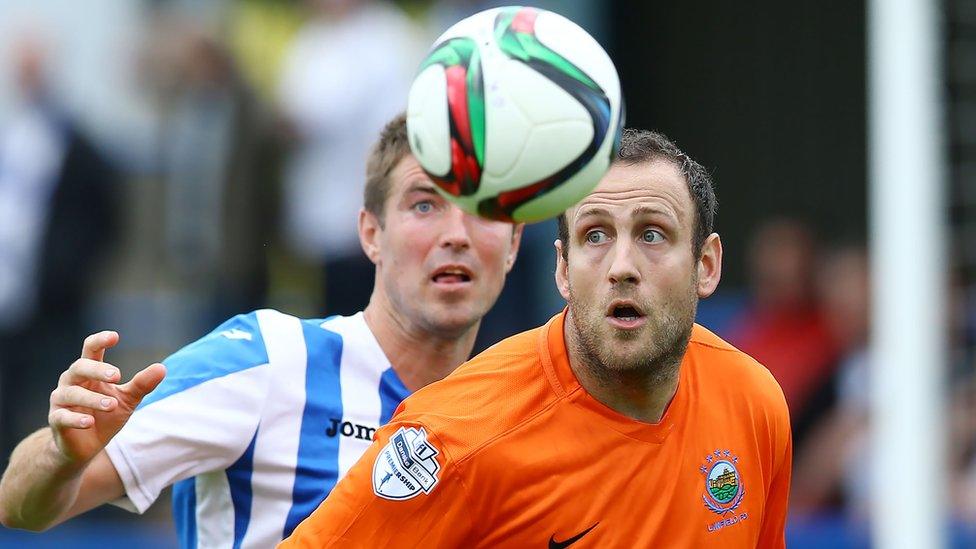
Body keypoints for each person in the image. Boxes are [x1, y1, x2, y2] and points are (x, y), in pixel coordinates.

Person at [0, 114, 523, 548]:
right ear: (371, 234)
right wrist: (60, 455)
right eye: (424, 204)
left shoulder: (519, 415)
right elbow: (20, 507)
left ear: (515, 242)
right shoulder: (271, 359)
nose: (456, 234)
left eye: (484, 210)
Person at [281, 128, 793, 547]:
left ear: (706, 266)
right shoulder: (452, 441)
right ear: (563, 270)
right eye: (595, 235)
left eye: (652, 234)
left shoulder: (753, 401)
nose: (621, 267)